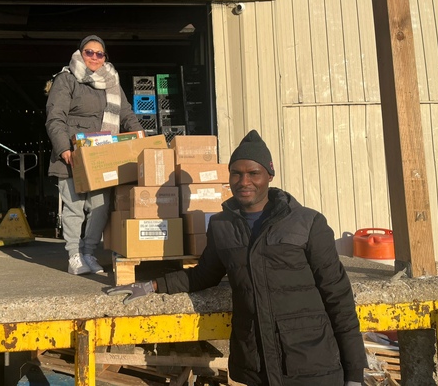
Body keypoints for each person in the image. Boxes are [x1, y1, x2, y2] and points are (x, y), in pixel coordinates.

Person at [107, 130, 367, 385]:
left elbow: (337, 295)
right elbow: (203, 274)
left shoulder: (308, 222)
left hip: (311, 363)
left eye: (254, 173)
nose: (244, 182)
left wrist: (355, 372)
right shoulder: (222, 226)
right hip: (256, 363)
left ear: (269, 175)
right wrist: (151, 285)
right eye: (236, 173)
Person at [46, 35, 142, 275]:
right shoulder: (66, 79)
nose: (95, 58)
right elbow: (55, 117)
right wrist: (64, 149)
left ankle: (89, 253)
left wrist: (142, 138)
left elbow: (126, 114)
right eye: (90, 52)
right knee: (75, 207)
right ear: (80, 53)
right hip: (73, 156)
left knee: (100, 206)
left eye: (100, 54)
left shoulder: (112, 82)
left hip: (103, 156)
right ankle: (74, 256)